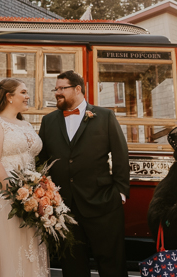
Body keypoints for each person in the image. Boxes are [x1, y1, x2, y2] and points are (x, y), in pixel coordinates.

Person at [38, 70, 129, 277]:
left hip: (103, 203)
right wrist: (48, 198)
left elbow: (120, 154)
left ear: (78, 89)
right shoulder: (48, 121)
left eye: (62, 88)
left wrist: (120, 193)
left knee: (111, 265)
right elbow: (41, 162)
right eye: (56, 89)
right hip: (64, 208)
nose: (57, 93)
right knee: (73, 267)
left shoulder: (105, 116)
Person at [0, 78, 49, 276]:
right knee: (9, 245)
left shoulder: (24, 125)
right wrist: (19, 196)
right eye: (23, 92)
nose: (27, 96)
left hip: (29, 196)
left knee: (27, 246)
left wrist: (37, 194)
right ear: (9, 97)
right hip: (3, 194)